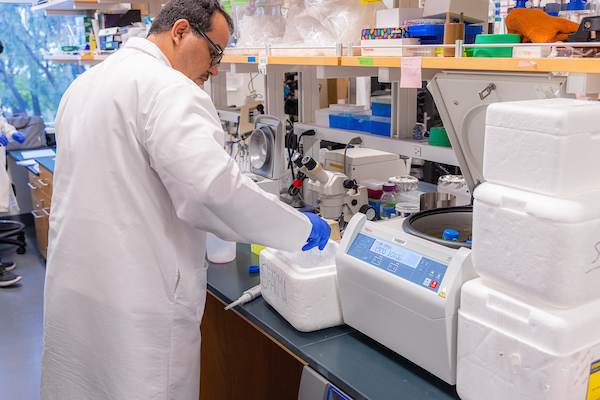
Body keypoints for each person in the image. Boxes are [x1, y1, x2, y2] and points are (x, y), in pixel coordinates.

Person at [39, 1, 330, 399]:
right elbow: (213, 192)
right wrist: (298, 228)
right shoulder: (168, 88)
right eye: (214, 53)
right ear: (179, 32)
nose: (214, 69)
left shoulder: (86, 83)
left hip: (77, 290)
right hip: (137, 303)